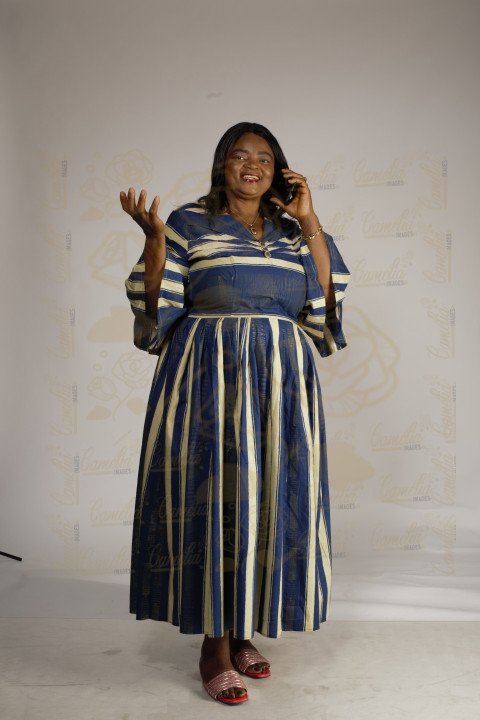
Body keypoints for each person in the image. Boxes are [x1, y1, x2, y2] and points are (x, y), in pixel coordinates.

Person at [120, 121, 350, 705]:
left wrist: (309, 218)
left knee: (266, 500)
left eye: (265, 158)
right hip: (207, 382)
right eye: (241, 156)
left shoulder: (292, 230)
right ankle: (214, 647)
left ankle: (243, 627)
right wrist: (154, 240)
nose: (253, 166)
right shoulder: (189, 222)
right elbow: (156, 309)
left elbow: (324, 303)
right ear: (222, 164)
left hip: (281, 384)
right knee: (216, 499)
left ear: (279, 171)